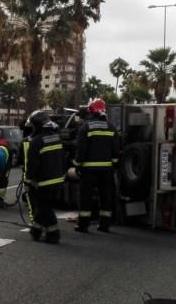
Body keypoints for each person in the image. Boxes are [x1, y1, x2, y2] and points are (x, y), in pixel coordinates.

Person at [74, 98, 119, 233]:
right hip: (107, 170)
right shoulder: (112, 127)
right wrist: (114, 165)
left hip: (88, 171)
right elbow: (116, 150)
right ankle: (105, 225)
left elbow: (81, 149)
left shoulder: (86, 127)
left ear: (91, 111)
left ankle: (83, 225)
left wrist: (77, 164)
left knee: (85, 198)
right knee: (106, 197)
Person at [21, 110, 66, 243]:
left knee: (44, 208)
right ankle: (36, 230)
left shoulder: (36, 141)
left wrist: (28, 180)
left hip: (43, 183)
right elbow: (63, 159)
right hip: (58, 180)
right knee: (43, 207)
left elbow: (33, 164)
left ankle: (53, 234)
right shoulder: (56, 137)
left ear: (38, 126)